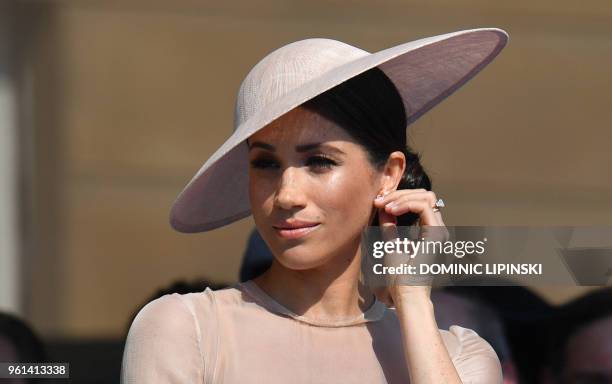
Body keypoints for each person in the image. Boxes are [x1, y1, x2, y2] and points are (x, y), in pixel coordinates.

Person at [121, 28, 509, 383]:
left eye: (319, 162)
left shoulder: (460, 356)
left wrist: (412, 300)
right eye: (266, 163)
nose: (287, 195)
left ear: (389, 174)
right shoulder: (187, 329)